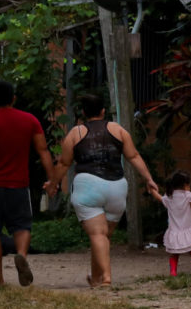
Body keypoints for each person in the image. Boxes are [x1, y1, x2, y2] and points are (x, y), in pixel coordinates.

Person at [45, 93, 157, 288]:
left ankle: (106, 278)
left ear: (83, 112)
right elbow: (134, 156)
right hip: (116, 187)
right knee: (103, 237)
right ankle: (96, 278)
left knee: (98, 235)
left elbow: (64, 163)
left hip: (88, 185)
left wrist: (54, 183)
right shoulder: (118, 130)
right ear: (103, 111)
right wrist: (149, 179)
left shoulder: (76, 133)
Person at [0, 81, 56, 287]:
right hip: (19, 186)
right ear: (14, 98)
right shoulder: (30, 121)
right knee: (22, 226)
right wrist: (52, 179)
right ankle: (21, 255)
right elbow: (43, 151)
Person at [149, 170, 191, 276]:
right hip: (188, 229)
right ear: (185, 185)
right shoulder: (188, 196)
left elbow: (158, 197)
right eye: (189, 185)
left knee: (174, 254)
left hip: (174, 232)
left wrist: (152, 189)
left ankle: (173, 272)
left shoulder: (169, 197)